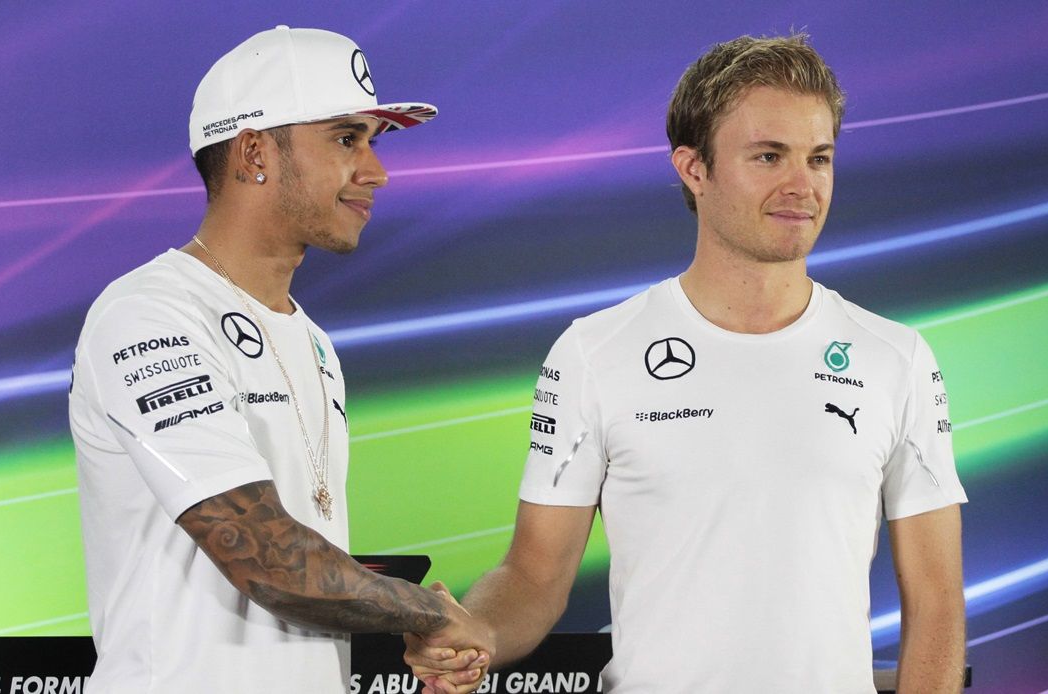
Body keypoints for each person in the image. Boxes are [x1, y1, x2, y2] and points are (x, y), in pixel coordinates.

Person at [406, 33, 968, 693]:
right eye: (769, 156)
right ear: (693, 169)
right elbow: (534, 576)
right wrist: (475, 634)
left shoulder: (895, 358)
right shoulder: (594, 352)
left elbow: (937, 599)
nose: (802, 185)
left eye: (819, 158)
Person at [69, 26, 489, 693]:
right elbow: (267, 560)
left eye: (374, 143)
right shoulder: (149, 313)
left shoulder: (312, 340)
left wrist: (425, 639)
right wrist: (428, 614)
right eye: (346, 139)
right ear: (255, 153)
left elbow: (302, 562)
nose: (376, 172)